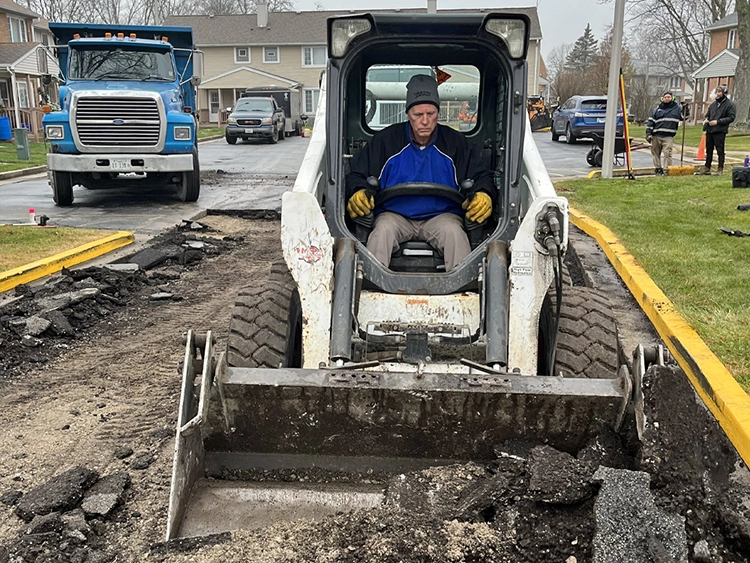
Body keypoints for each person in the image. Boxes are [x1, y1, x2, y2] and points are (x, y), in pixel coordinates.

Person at [345, 74, 494, 272]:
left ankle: (462, 292)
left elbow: (481, 175)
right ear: (408, 114)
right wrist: (357, 191)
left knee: (455, 236)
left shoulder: (457, 144)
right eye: (418, 115)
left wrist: (485, 193)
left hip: (442, 216)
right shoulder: (385, 142)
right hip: (394, 215)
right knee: (382, 233)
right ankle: (372, 288)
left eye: (430, 114)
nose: (425, 121)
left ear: (438, 113)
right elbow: (357, 175)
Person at [697, 84, 736, 175]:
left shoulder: (729, 104)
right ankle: (707, 168)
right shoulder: (713, 104)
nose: (717, 94)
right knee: (709, 150)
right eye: (716, 92)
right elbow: (708, 114)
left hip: (720, 131)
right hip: (710, 130)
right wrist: (706, 119)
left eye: (719, 92)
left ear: (724, 93)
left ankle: (720, 168)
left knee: (720, 150)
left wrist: (718, 122)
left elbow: (731, 117)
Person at [645, 91, 684, 175]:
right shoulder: (656, 110)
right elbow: (650, 122)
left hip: (668, 136)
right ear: (662, 99)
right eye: (665, 97)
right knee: (655, 153)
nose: (667, 99)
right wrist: (648, 134)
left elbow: (684, 117)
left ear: (672, 98)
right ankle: (658, 169)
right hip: (656, 135)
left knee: (668, 153)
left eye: (668, 97)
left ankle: (667, 170)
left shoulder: (677, 109)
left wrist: (686, 109)